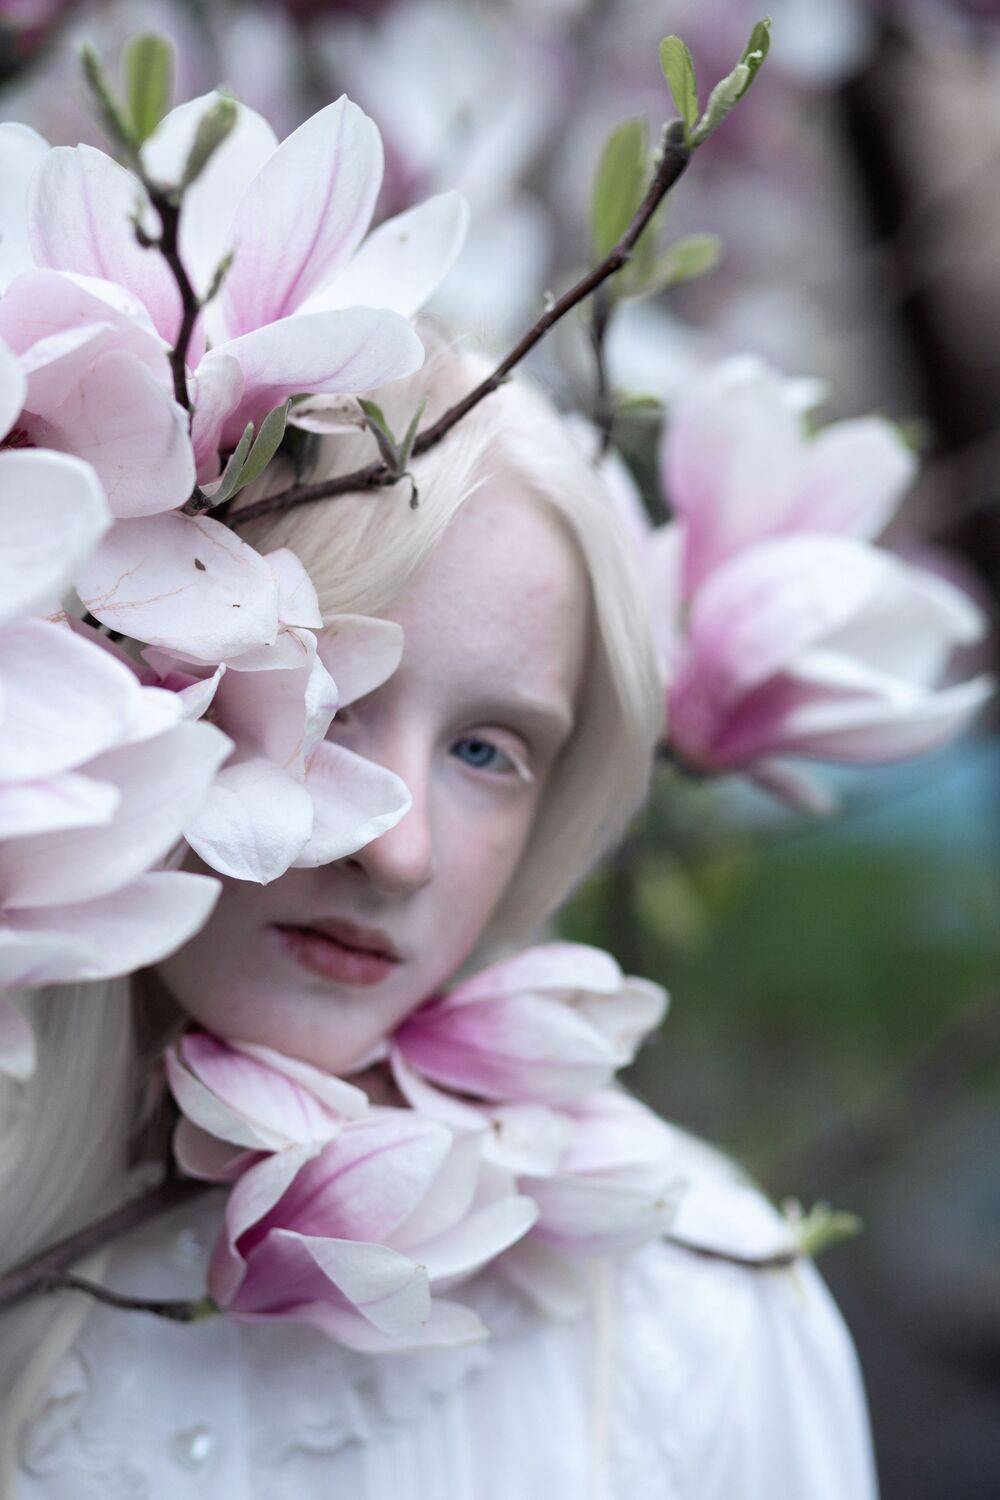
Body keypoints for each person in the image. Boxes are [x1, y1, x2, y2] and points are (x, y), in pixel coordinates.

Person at [0, 336, 879, 1498]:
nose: (400, 852)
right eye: (334, 704)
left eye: (486, 752)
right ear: (138, 679)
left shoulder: (695, 1314)